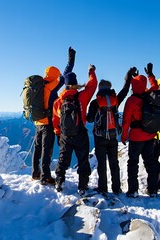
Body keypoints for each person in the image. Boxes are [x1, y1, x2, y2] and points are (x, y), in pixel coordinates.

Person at [85, 68, 135, 195]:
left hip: (100, 137)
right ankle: (116, 188)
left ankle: (103, 188)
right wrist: (128, 77)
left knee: (101, 163)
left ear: (99, 89)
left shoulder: (95, 103)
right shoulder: (115, 101)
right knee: (114, 162)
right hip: (113, 136)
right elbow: (124, 91)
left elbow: (90, 119)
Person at [31, 47, 76, 185]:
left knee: (37, 148)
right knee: (47, 149)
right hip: (47, 122)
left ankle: (35, 173)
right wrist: (71, 60)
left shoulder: (38, 87)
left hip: (37, 121)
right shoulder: (52, 86)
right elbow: (66, 73)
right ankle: (45, 176)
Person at [52, 63, 98, 195]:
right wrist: (91, 71)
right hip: (80, 133)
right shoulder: (82, 97)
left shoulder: (58, 101)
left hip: (65, 135)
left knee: (62, 159)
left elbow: (55, 121)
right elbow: (93, 84)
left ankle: (59, 182)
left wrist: (58, 134)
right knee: (83, 160)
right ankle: (82, 186)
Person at [121, 63, 159, 198]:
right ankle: (153, 190)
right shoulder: (150, 96)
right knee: (150, 163)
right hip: (149, 135)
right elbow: (155, 86)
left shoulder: (131, 101)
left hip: (136, 138)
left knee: (133, 163)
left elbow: (126, 121)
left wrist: (123, 136)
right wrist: (150, 74)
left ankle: (133, 190)